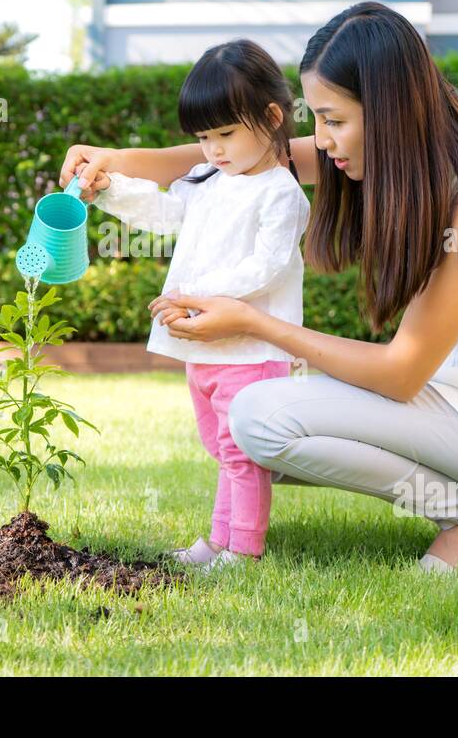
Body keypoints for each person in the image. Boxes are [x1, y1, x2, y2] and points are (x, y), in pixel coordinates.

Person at [61, 2, 458, 572]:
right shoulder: (405, 158)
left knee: (257, 416)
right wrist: (113, 162)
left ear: (392, 111)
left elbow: (401, 375)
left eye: (333, 120)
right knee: (246, 421)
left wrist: (253, 322)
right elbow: (240, 158)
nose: (318, 140)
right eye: (316, 120)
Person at [88, 39, 311, 570]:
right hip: (205, 349)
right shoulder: (210, 181)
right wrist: (109, 190)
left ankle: (245, 548)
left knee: (242, 454)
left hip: (251, 350)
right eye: (204, 137)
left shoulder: (280, 193)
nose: (214, 149)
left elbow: (267, 266)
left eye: (226, 134)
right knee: (219, 448)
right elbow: (164, 213)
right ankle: (217, 541)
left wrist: (196, 296)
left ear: (272, 117)